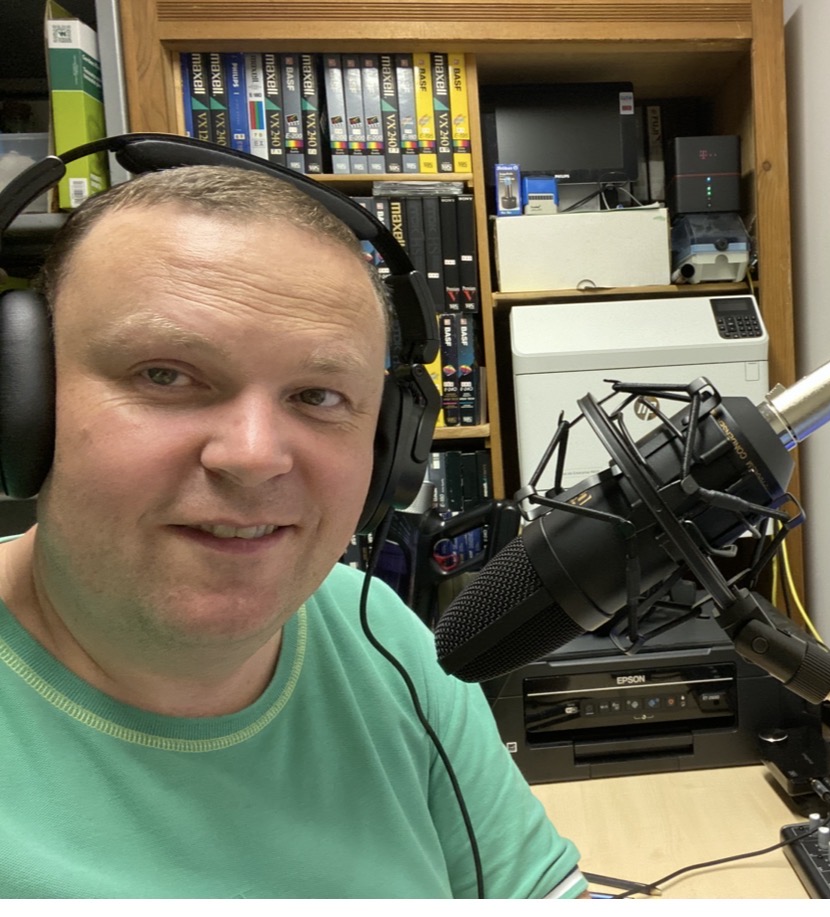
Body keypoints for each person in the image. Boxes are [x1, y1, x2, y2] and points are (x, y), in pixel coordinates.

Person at [0, 165, 586, 898]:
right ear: (24, 404)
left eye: (317, 395)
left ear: (388, 448)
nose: (254, 456)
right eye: (164, 375)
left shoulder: (378, 634)